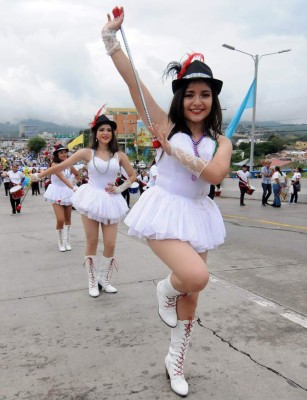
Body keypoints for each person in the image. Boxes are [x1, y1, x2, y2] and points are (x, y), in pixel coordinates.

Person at [102, 8, 232, 397]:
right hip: (163, 211)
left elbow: (214, 175)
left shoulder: (222, 141)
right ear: (180, 97)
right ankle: (165, 290)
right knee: (193, 278)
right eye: (189, 94)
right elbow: (134, 83)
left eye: (204, 94)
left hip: (199, 216)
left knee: (193, 295)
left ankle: (175, 361)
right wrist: (110, 38)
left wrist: (177, 155)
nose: (197, 101)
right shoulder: (164, 125)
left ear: (213, 100)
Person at [32, 114, 136, 298]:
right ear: (95, 133)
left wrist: (120, 188)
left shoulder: (119, 155)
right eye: (101, 130)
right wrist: (39, 176)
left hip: (111, 201)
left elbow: (133, 176)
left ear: (113, 134)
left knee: (111, 244)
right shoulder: (87, 153)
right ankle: (92, 280)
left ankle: (103, 278)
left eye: (109, 130)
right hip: (91, 198)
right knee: (93, 241)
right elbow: (60, 166)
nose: (105, 133)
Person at [42, 144, 79, 252]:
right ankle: (60, 242)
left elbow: (77, 174)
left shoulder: (69, 164)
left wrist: (75, 182)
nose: (64, 154)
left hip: (67, 191)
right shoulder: (54, 164)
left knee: (68, 218)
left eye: (65, 152)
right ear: (57, 154)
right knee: (60, 219)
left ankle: (67, 241)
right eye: (61, 152)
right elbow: (62, 178)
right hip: (57, 192)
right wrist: (73, 187)